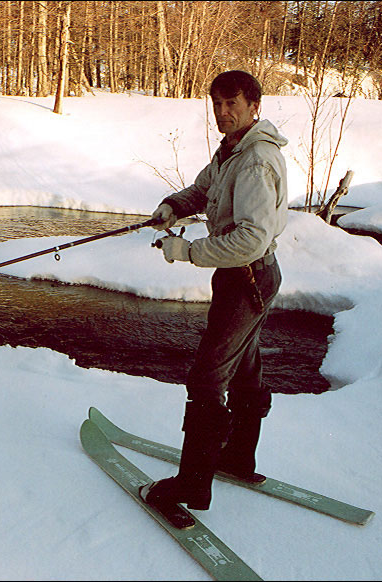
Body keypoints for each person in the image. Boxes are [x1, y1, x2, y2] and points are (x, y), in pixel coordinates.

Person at [140, 70, 288, 513]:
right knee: (243, 368)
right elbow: (202, 190)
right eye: (217, 104)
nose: (223, 113)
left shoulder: (256, 160)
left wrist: (186, 250)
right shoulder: (231, 151)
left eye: (232, 104)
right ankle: (239, 457)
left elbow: (251, 239)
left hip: (248, 276)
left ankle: (191, 488)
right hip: (242, 278)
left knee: (207, 377)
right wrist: (173, 206)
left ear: (253, 105)